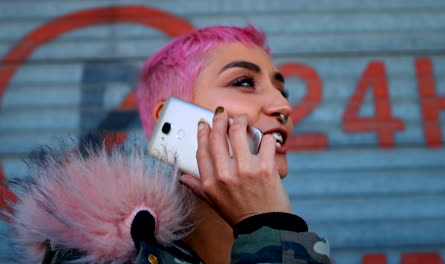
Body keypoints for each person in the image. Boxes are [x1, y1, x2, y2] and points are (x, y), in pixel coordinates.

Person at [7, 25, 330, 264]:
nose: (283, 106)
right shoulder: (98, 257)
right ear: (170, 117)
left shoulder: (299, 241)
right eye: (244, 82)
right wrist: (271, 228)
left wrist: (271, 228)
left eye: (283, 92)